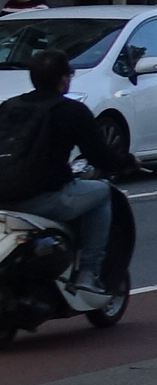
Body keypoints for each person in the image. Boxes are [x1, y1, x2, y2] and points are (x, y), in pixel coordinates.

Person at [0, 49, 124, 304]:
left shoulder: (8, 107)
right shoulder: (71, 111)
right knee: (102, 192)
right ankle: (89, 272)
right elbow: (100, 157)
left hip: (2, 199)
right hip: (42, 198)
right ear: (64, 78)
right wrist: (127, 162)